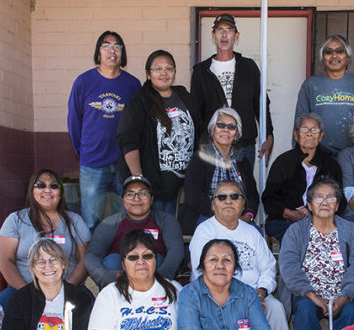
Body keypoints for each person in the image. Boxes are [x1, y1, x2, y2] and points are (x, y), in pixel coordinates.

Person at [190, 180, 295, 330]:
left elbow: (268, 267)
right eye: (222, 197)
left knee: (275, 308)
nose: (228, 201)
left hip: (256, 297)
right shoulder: (204, 231)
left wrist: (262, 291)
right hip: (217, 299)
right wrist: (240, 296)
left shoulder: (252, 232)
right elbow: (203, 273)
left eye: (234, 196)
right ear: (213, 204)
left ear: (243, 203)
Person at [278, 178, 354, 330]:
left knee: (352, 311)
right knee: (304, 311)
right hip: (307, 295)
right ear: (309, 204)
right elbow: (288, 267)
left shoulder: (350, 230)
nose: (325, 202)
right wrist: (311, 295)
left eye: (330, 197)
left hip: (342, 296)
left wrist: (344, 297)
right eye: (319, 197)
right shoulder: (296, 231)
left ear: (337, 204)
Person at [67, 31, 142, 229]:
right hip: (92, 161)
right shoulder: (83, 82)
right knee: (90, 220)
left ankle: (122, 259)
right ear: (98, 52)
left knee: (126, 218)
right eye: (106, 45)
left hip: (123, 162)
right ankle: (91, 260)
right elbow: (74, 120)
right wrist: (82, 150)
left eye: (117, 46)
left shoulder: (133, 84)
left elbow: (138, 123)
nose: (112, 50)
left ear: (122, 53)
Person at [117, 50, 198, 216]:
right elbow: (128, 142)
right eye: (157, 69)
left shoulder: (183, 95)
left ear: (175, 72)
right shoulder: (139, 102)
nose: (164, 73)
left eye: (169, 68)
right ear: (148, 74)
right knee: (152, 233)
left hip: (182, 185)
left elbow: (200, 129)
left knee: (171, 231)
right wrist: (139, 181)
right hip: (153, 187)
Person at [0, 169, 91, 310]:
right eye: (41, 185)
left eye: (53, 186)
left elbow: (85, 260)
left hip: (69, 289)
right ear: (32, 190)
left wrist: (67, 290)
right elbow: (5, 261)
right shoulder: (15, 220)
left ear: (60, 193)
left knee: (91, 307)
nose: (47, 190)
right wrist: (27, 292)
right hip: (23, 289)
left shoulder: (75, 221)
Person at [190, 13, 274, 167]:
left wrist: (268, 135)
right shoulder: (201, 71)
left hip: (244, 144)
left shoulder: (249, 67)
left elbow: (261, 104)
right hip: (212, 144)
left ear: (236, 35)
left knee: (242, 188)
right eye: (219, 30)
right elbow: (196, 111)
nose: (224, 34)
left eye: (229, 30)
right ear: (213, 35)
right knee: (214, 188)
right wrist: (201, 141)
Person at [83, 175, 184, 289]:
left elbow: (176, 251)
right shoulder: (110, 223)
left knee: (154, 258)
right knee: (113, 260)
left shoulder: (165, 220)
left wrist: (159, 278)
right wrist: (108, 276)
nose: (137, 198)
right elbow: (92, 255)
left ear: (151, 198)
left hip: (155, 280)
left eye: (143, 193)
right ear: (123, 200)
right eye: (130, 194)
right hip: (118, 281)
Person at [262, 112, 342, 242]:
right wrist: (288, 213)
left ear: (321, 136)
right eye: (304, 129)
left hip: (321, 219)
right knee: (296, 236)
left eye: (314, 130)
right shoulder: (283, 162)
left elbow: (339, 200)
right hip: (285, 220)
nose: (309, 133)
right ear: (296, 135)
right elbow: (268, 200)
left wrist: (313, 213)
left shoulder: (331, 165)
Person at [180, 107, 259, 233]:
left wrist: (248, 216)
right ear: (212, 130)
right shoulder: (199, 158)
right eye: (221, 125)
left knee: (256, 235)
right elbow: (193, 196)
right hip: (207, 216)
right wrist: (223, 216)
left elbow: (252, 195)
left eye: (231, 127)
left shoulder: (242, 161)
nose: (226, 130)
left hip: (239, 219)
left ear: (236, 135)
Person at [294, 34, 354, 156]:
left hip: (353, 154)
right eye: (328, 52)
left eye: (340, 51)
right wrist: (299, 154)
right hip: (318, 155)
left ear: (347, 56)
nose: (334, 56)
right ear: (323, 57)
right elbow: (299, 122)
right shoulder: (310, 85)